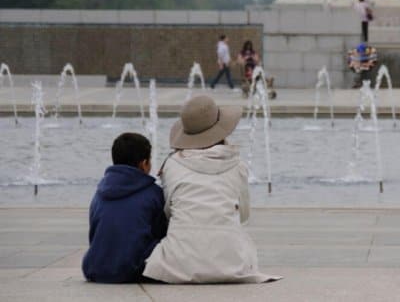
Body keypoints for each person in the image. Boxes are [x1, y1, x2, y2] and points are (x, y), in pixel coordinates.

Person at [143, 96, 281, 284]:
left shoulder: (171, 165)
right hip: (232, 261)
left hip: (180, 262)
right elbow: (243, 215)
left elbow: (168, 212)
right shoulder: (238, 165)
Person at [82, 133, 167, 283]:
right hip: (134, 269)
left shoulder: (100, 193)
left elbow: (94, 233)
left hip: (95, 268)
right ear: (144, 163)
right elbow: (161, 232)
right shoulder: (153, 193)